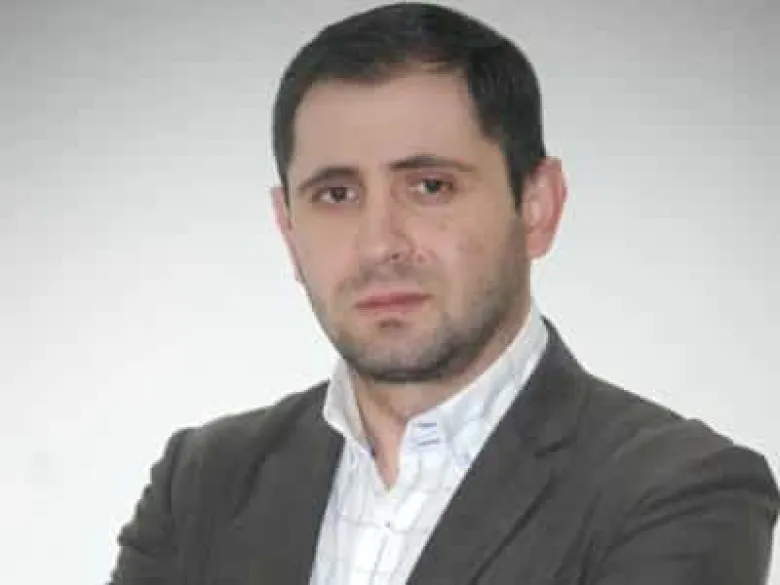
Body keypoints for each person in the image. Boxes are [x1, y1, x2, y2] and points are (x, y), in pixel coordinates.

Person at [109, 3, 779, 584]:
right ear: (288, 229)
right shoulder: (201, 483)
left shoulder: (678, 490)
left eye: (430, 186)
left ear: (538, 206)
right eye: (336, 194)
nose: (379, 244)